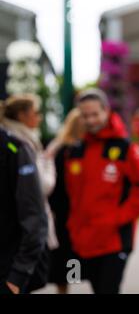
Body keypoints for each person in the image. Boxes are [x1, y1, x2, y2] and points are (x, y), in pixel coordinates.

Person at [65, 88, 139, 294]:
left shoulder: (125, 148)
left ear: (106, 111)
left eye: (95, 114)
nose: (90, 120)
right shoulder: (76, 150)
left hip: (114, 242)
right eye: (85, 115)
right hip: (83, 241)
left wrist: (117, 218)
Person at [0, 94, 57, 292]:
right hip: (15, 255)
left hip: (11, 262)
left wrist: (17, 276)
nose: (39, 117)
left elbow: (35, 203)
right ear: (22, 115)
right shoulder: (22, 141)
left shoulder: (16, 145)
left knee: (69, 274)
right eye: (36, 113)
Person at [0, 126, 48, 294]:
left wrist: (17, 275)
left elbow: (34, 216)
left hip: (6, 271)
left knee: (73, 274)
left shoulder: (13, 147)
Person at [45, 108, 85, 294]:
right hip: (72, 210)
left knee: (63, 255)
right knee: (70, 253)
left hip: (59, 210)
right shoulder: (74, 150)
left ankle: (65, 289)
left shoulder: (56, 147)